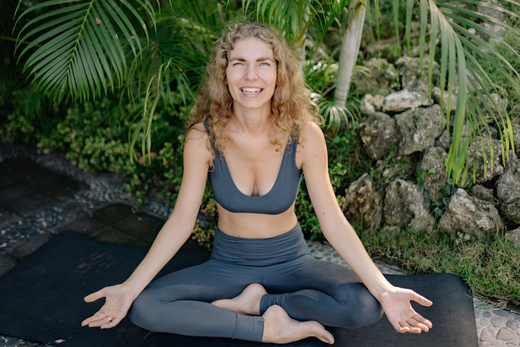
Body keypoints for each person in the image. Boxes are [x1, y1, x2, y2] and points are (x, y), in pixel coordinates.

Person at [81, 22, 433, 345]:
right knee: (146, 307)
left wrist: (385, 289)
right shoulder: (203, 138)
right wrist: (129, 288)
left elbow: (334, 222)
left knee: (362, 306)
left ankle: (257, 303)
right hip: (227, 264)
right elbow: (180, 222)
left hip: (291, 261)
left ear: (279, 74)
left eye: (264, 63)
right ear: (224, 73)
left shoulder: (305, 136)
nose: (252, 75)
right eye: (239, 63)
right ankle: (266, 328)